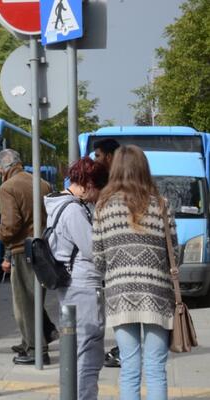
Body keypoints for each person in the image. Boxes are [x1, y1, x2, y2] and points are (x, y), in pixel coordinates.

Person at [93, 145, 175, 400]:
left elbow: (98, 259)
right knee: (156, 368)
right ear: (144, 169)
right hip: (157, 295)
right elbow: (174, 254)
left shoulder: (103, 207)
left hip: (120, 295)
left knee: (129, 367)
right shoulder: (161, 205)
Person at [44, 158, 109, 400]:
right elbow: (93, 249)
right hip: (83, 285)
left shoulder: (59, 204)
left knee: (76, 348)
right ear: (89, 184)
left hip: (72, 284)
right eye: (98, 188)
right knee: (88, 350)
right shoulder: (73, 210)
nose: (97, 195)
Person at [0, 149, 56, 365]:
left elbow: (11, 225)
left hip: (23, 250)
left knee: (24, 302)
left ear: (3, 168)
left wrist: (1, 236)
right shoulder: (43, 184)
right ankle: (37, 337)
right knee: (34, 297)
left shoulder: (7, 187)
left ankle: (36, 349)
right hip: (43, 248)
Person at [91, 137, 123, 368]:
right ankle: (123, 349)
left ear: (109, 157)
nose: (96, 160)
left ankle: (123, 351)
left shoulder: (116, 184)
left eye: (98, 155)